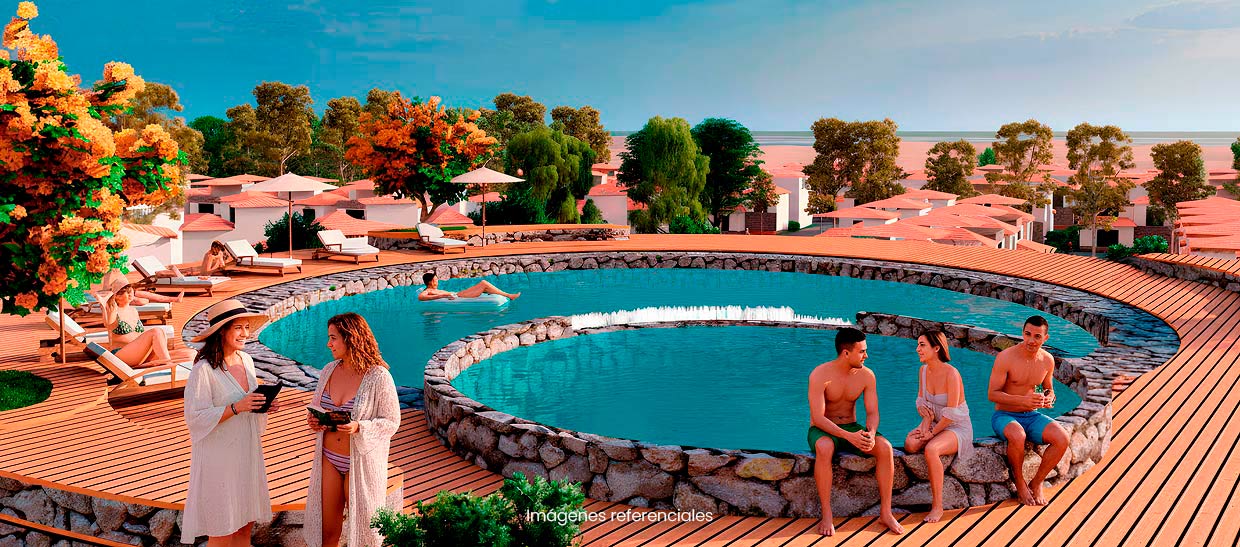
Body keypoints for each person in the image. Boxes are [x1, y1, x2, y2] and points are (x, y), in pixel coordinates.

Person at [181, 300, 279, 546]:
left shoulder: (246, 360)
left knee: (244, 529)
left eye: (247, 327)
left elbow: (247, 402)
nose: (245, 333)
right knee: (222, 531)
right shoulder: (203, 370)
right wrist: (236, 407)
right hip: (220, 459)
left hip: (246, 452)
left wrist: (262, 405)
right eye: (238, 328)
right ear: (221, 331)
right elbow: (195, 417)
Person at [305, 313, 401, 547]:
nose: (328, 344)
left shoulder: (378, 376)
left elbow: (391, 421)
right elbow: (317, 406)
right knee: (327, 533)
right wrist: (315, 420)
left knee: (364, 535)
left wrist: (359, 427)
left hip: (360, 462)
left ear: (351, 338)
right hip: (329, 458)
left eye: (333, 338)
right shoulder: (328, 370)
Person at [807, 327, 904, 536]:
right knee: (825, 447)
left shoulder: (867, 376)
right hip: (823, 428)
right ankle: (827, 515)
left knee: (885, 447)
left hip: (852, 426)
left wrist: (871, 433)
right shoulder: (819, 374)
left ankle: (886, 513)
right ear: (846, 353)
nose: (866, 356)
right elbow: (818, 418)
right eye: (862, 351)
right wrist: (848, 436)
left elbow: (873, 412)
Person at [988, 315, 1071, 506]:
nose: (1031, 340)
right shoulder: (1006, 357)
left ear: (1045, 338)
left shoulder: (1047, 360)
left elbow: (1047, 388)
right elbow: (992, 394)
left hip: (1032, 415)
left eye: (1037, 336)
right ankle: (1020, 483)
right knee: (1018, 435)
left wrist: (1049, 397)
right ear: (1022, 333)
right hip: (1004, 415)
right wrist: (1022, 400)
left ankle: (1037, 482)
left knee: (1062, 438)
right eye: (1027, 334)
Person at [902, 330, 973, 523]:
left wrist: (931, 433)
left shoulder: (952, 374)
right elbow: (921, 402)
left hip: (956, 426)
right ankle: (929, 434)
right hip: (933, 421)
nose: (917, 349)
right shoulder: (923, 371)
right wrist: (926, 423)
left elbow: (951, 414)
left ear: (936, 348)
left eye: (922, 345)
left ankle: (937, 506)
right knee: (910, 444)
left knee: (931, 449)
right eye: (918, 345)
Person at [92, 278, 195, 367]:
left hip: (141, 354)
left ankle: (157, 362)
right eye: (126, 292)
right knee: (156, 331)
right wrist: (104, 304)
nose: (130, 294)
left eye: (130, 291)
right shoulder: (114, 311)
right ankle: (166, 363)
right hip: (122, 355)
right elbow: (108, 323)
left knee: (191, 354)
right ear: (117, 297)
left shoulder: (133, 311)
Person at [417, 272, 520, 301]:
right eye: (435, 280)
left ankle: (508, 295)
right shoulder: (427, 291)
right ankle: (509, 295)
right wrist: (442, 296)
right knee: (484, 283)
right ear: (430, 282)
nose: (437, 281)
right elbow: (421, 297)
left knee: (484, 285)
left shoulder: (434, 289)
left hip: (458, 294)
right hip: (459, 296)